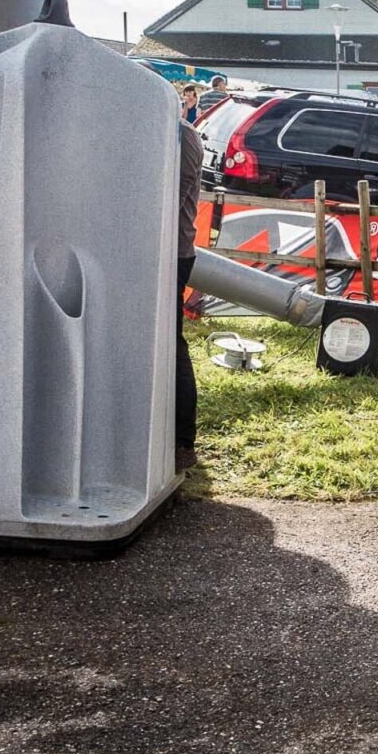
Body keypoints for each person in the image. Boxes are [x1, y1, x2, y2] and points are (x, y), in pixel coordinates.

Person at [174, 82, 202, 472]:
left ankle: (182, 438)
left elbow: (167, 199)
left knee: (170, 342)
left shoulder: (180, 136)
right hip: (164, 251)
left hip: (171, 253)